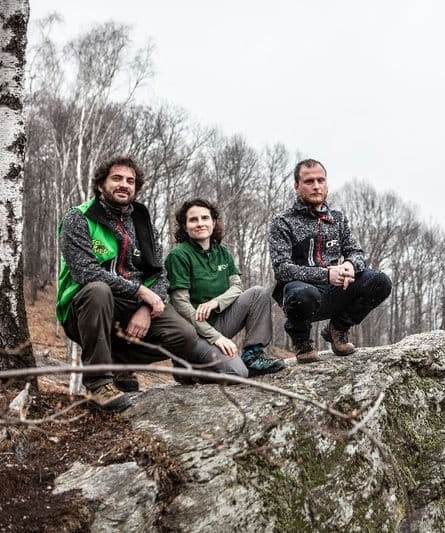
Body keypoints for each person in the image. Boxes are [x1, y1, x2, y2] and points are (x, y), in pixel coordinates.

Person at [57, 156, 199, 410]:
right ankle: (99, 383)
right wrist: (140, 291)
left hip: (133, 305)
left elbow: (160, 272)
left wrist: (145, 308)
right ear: (100, 184)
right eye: (117, 178)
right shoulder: (79, 218)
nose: (124, 184)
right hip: (85, 306)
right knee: (98, 291)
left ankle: (119, 363)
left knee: (185, 335)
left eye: (130, 181)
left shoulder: (143, 222)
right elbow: (86, 272)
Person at [269, 158, 392, 362]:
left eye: (321, 180)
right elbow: (282, 269)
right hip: (302, 297)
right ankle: (302, 341)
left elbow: (356, 252)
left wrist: (350, 265)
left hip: (336, 291)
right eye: (309, 181)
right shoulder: (283, 222)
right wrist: (326, 274)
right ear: (297, 186)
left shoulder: (337, 218)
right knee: (302, 293)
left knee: (380, 281)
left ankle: (338, 329)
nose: (316, 186)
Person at [165, 199, 285, 378]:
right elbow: (181, 305)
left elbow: (237, 287)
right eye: (193, 220)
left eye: (205, 218)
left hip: (220, 322)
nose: (200, 223)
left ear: (213, 222)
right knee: (237, 372)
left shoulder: (222, 252)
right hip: (194, 332)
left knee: (258, 293)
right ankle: (186, 368)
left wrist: (216, 303)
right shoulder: (178, 255)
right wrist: (216, 338)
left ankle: (252, 356)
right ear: (184, 226)